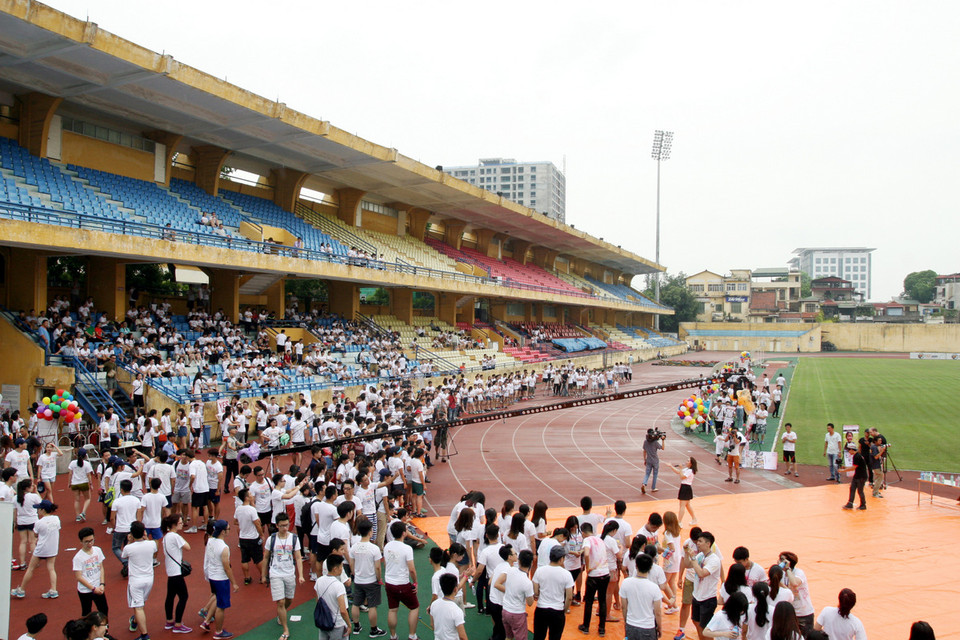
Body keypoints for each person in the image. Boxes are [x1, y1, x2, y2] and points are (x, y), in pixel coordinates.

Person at [263, 513, 304, 640]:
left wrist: (301, 575)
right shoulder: (271, 539)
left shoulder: (294, 538)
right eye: (282, 526)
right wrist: (263, 575)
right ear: (277, 526)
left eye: (287, 525)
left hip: (289, 573)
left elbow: (298, 557)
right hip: (275, 573)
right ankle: (285, 630)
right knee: (280, 602)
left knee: (289, 599)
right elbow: (266, 557)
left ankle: (281, 613)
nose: (285, 528)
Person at [12, 499, 61, 599]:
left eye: (39, 509)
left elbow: (35, 534)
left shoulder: (39, 522)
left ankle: (21, 589)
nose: (38, 510)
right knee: (51, 569)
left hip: (41, 549)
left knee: (30, 569)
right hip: (53, 548)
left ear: (43, 510)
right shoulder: (56, 519)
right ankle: (54, 590)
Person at [200, 519, 239, 639]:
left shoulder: (211, 541)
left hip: (212, 576)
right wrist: (234, 583)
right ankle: (218, 631)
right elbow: (227, 567)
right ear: (223, 531)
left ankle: (206, 622)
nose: (229, 531)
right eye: (228, 529)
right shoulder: (224, 548)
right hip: (221, 578)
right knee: (221, 607)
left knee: (216, 598)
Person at [350, 518, 386, 637]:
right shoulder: (374, 548)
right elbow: (377, 567)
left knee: (356, 604)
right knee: (372, 606)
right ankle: (374, 630)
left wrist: (355, 574)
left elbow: (352, 564)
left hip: (359, 580)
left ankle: (356, 626)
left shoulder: (354, 547)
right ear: (370, 532)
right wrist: (379, 579)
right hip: (371, 580)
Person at [121, 521, 158, 640]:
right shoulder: (152, 544)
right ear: (143, 532)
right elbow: (154, 549)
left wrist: (130, 541)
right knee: (140, 604)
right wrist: (145, 538)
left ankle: (144, 635)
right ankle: (135, 621)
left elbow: (124, 556)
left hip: (136, 581)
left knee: (138, 607)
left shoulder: (128, 548)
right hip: (149, 579)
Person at [383, 520, 419, 640]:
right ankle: (412, 635)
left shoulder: (387, 546)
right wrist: (415, 582)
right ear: (404, 533)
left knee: (392, 610)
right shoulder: (406, 548)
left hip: (389, 582)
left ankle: (393, 636)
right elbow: (412, 569)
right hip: (402, 583)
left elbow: (386, 563)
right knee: (414, 607)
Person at [532, 544, 574, 640]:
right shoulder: (566, 574)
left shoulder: (540, 570)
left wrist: (537, 594)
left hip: (541, 608)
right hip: (557, 610)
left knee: (538, 636)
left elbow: (535, 586)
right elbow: (569, 597)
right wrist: (565, 609)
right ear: (561, 559)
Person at [686, 531, 722, 640]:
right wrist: (686, 553)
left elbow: (702, 573)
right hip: (697, 595)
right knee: (695, 621)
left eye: (701, 541)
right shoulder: (701, 555)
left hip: (707, 598)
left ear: (708, 543)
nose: (698, 543)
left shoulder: (714, 560)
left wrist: (693, 559)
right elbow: (688, 565)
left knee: (706, 627)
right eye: (698, 541)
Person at [577, 522, 610, 636]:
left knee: (589, 601)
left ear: (584, 533)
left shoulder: (587, 540)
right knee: (602, 601)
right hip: (605, 573)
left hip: (594, 574)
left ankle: (586, 626)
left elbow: (586, 554)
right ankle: (602, 628)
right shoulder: (600, 540)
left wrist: (587, 566)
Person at [620, 552, 663, 640]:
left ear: (636, 566)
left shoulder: (626, 583)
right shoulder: (654, 588)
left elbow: (624, 607)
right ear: (650, 568)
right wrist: (659, 627)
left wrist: (626, 622)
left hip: (631, 625)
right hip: (648, 627)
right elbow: (657, 612)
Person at [161, 514, 192, 633]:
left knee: (170, 597)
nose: (182, 523)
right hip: (177, 572)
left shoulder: (166, 537)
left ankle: (169, 621)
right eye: (180, 522)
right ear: (174, 524)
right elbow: (188, 547)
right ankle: (178, 624)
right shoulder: (175, 536)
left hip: (170, 571)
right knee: (184, 596)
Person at [496, 549, 535, 640]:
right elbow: (530, 602)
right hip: (517, 613)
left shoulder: (510, 570)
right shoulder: (527, 583)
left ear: (519, 560)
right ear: (531, 563)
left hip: (505, 610)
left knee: (508, 637)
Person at [315, 555, 351, 640]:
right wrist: (349, 625)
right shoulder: (339, 585)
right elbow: (343, 610)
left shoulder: (319, 581)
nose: (342, 569)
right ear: (335, 568)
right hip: (337, 624)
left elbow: (318, 600)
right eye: (341, 566)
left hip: (323, 621)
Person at [73, 527, 108, 615]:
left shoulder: (97, 550)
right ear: (81, 542)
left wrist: (102, 584)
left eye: (92, 540)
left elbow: (101, 568)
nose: (90, 543)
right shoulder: (78, 557)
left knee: (104, 609)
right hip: (86, 590)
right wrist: (93, 588)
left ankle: (104, 628)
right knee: (86, 612)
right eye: (86, 541)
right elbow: (79, 577)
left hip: (98, 587)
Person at [779, 551, 814, 633]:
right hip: (791, 613)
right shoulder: (782, 574)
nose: (779, 562)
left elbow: (794, 583)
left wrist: (788, 569)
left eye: (781, 560)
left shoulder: (799, 573)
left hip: (804, 613)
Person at [430, 572, 468, 640]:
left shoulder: (434, 604)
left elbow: (432, 625)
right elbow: (462, 637)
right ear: (455, 589)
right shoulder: (457, 611)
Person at [670, 457, 698, 527]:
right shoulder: (687, 469)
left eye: (688, 461)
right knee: (687, 505)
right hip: (684, 487)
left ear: (691, 463)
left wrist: (681, 468)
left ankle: (679, 522)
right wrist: (671, 466)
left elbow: (682, 477)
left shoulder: (690, 471)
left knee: (682, 505)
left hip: (686, 487)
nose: (686, 461)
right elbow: (678, 472)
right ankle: (694, 519)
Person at [843, 438, 869, 510]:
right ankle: (850, 503)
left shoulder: (857, 456)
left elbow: (853, 468)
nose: (848, 452)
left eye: (849, 450)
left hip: (861, 477)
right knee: (852, 488)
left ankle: (863, 505)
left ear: (852, 449)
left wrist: (843, 470)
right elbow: (855, 466)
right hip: (857, 476)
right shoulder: (857, 455)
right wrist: (845, 467)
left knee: (860, 491)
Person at [641, 429, 664, 494]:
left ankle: (644, 483)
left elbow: (644, 451)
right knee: (655, 474)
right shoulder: (655, 443)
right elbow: (662, 448)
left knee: (647, 473)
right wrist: (663, 440)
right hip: (655, 460)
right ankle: (653, 487)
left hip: (648, 460)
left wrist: (644, 459)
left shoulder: (645, 442)